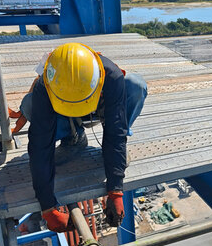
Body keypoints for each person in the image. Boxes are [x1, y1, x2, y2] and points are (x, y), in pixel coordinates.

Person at [21, 43, 147, 232]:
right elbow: (39, 147)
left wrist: (116, 189)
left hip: (101, 108)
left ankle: (115, 156)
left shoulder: (111, 75)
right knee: (29, 105)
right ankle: (74, 137)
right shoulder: (44, 86)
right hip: (62, 114)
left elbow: (115, 133)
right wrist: (47, 207)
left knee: (136, 86)